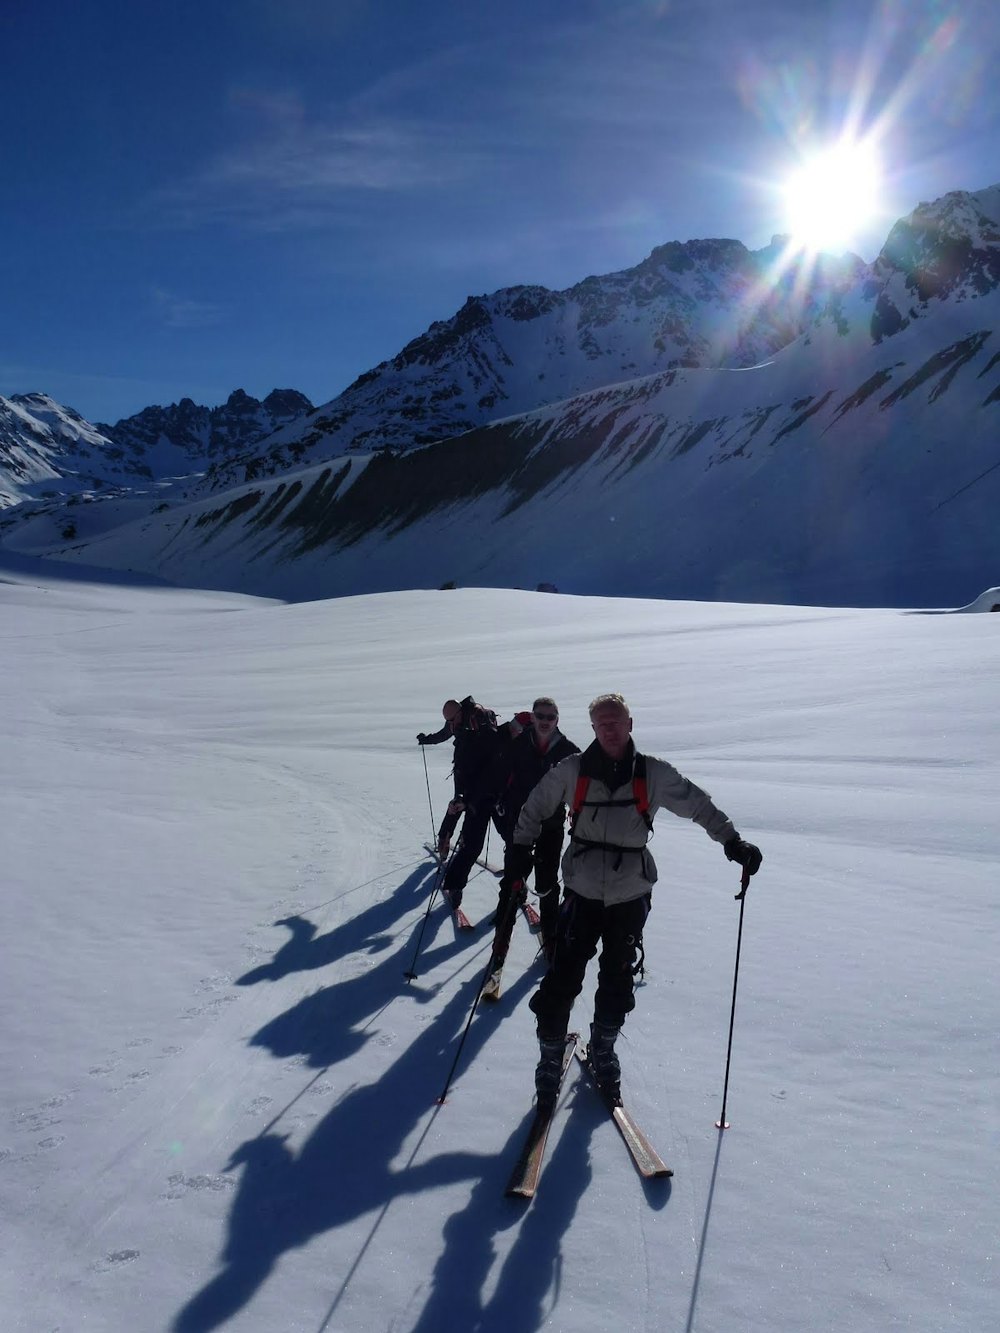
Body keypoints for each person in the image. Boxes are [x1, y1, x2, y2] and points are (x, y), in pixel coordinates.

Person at [507, 692, 762, 1106]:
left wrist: (732, 841)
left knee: (617, 979)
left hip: (630, 895)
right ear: (592, 728)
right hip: (583, 892)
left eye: (616, 721)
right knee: (561, 980)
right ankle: (549, 1057)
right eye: (601, 723)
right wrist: (520, 847)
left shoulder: (653, 773)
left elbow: (698, 805)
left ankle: (603, 1049)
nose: (609, 729)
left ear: (630, 723)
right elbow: (535, 806)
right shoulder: (572, 771)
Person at [491, 697, 580, 965]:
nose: (544, 721)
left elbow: (580, 791)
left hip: (551, 827)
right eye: (539, 716)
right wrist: (500, 807)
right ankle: (501, 941)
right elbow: (499, 777)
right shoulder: (518, 745)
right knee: (511, 883)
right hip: (519, 826)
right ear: (532, 717)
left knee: (547, 885)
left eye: (550, 717)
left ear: (557, 720)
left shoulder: (569, 751)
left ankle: (551, 941)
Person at [417, 695, 512, 909]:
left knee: (507, 836)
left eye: (452, 720)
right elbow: (444, 733)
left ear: (460, 712)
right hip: (467, 780)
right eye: (448, 721)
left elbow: (494, 751)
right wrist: (427, 739)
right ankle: (444, 842)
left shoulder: (480, 720)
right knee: (458, 812)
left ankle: (516, 881)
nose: (451, 725)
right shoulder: (457, 719)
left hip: (486, 788)